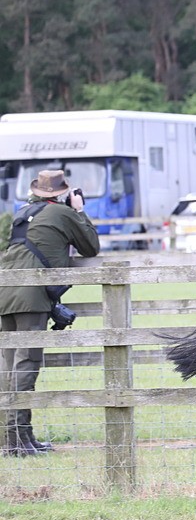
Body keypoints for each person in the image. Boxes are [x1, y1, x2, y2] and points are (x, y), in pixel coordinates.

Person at [0, 170, 99, 456]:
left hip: (6, 290)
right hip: (30, 296)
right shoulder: (62, 214)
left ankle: (18, 437)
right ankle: (16, 441)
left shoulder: (23, 212)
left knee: (8, 366)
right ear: (61, 193)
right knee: (26, 364)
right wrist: (79, 211)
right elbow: (91, 247)